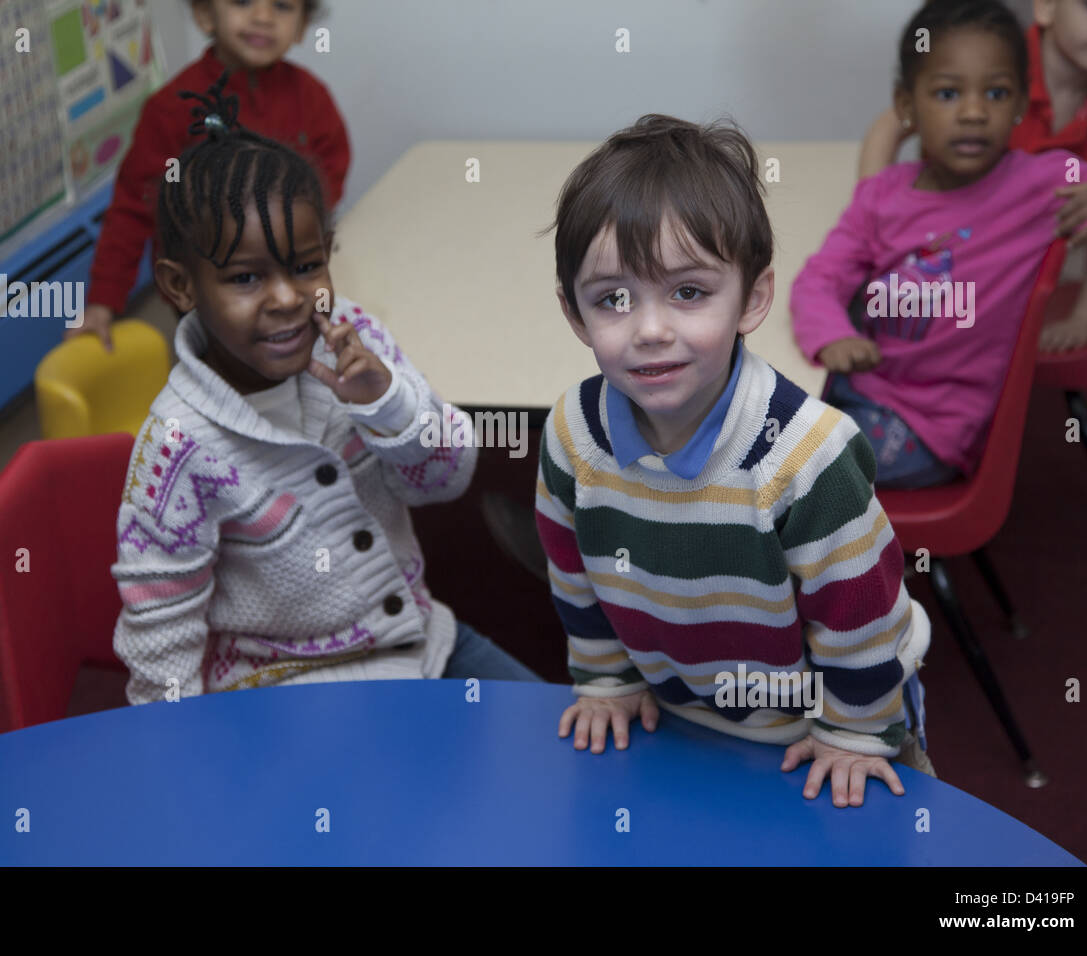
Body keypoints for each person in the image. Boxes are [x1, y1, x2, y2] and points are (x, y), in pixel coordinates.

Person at [536, 114, 932, 808]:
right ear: (574, 315)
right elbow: (573, 573)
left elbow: (861, 615)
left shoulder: (808, 457)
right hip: (685, 715)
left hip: (835, 716)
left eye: (689, 292)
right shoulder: (572, 433)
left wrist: (856, 731)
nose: (652, 329)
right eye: (614, 300)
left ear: (752, 298)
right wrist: (607, 679)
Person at [111, 78, 538, 704]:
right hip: (284, 693)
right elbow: (160, 637)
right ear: (180, 286)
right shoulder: (178, 444)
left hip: (421, 646)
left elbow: (446, 479)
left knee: (561, 749)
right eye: (247, 277)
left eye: (306, 266)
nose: (287, 298)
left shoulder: (354, 338)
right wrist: (184, 760)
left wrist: (386, 402)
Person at [793, 0, 1087, 488]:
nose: (973, 113)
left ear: (1017, 106)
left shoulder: (1041, 184)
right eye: (948, 93)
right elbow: (819, 279)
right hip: (854, 387)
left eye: (996, 93)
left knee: (785, 469)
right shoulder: (882, 196)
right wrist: (832, 336)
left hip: (932, 428)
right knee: (737, 414)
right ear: (907, 106)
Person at [73, 0, 351, 350]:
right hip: (209, 295)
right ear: (205, 14)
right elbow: (132, 209)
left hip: (290, 282)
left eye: (282, 6)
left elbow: (329, 175)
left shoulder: (312, 98)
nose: (263, 17)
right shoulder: (171, 110)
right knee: (229, 378)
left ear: (301, 26)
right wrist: (103, 299)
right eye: (242, 2)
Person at [858, 0, 1087, 354]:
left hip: (1010, 260)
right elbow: (891, 123)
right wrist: (871, 216)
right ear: (1045, 7)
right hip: (940, 235)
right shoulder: (997, 49)